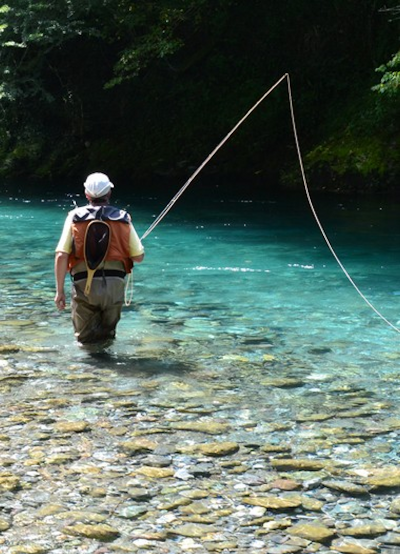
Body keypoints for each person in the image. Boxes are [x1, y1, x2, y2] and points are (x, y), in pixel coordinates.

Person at [54, 172, 144, 344]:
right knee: (108, 338)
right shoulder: (123, 218)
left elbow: (61, 255)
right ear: (109, 193)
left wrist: (60, 292)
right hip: (115, 286)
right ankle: (110, 370)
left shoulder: (74, 217)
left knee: (84, 340)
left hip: (84, 285)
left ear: (87, 195)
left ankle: (88, 370)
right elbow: (138, 257)